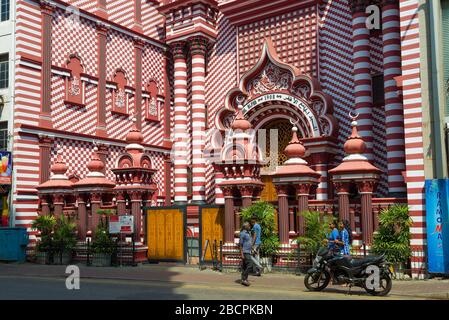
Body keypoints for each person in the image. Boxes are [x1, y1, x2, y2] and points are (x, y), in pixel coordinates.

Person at [239, 221, 254, 286]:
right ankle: (244, 278)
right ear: (245, 227)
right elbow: (240, 244)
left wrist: (253, 249)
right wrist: (241, 254)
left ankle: (244, 279)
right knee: (250, 264)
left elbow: (249, 242)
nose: (250, 227)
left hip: (248, 251)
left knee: (245, 266)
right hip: (245, 252)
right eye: (248, 226)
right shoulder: (242, 233)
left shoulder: (248, 233)